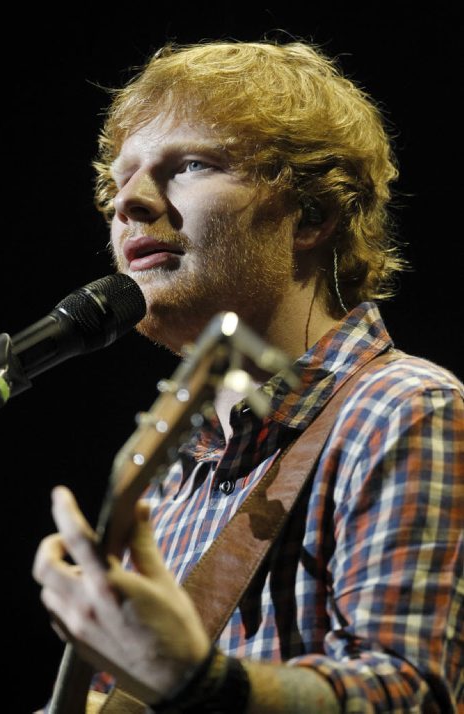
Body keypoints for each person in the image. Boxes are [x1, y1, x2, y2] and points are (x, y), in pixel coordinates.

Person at [33, 40, 464, 713]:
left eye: (191, 165)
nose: (130, 203)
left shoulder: (407, 409)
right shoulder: (179, 468)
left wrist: (204, 685)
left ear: (314, 213)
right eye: (119, 182)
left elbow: (412, 694)